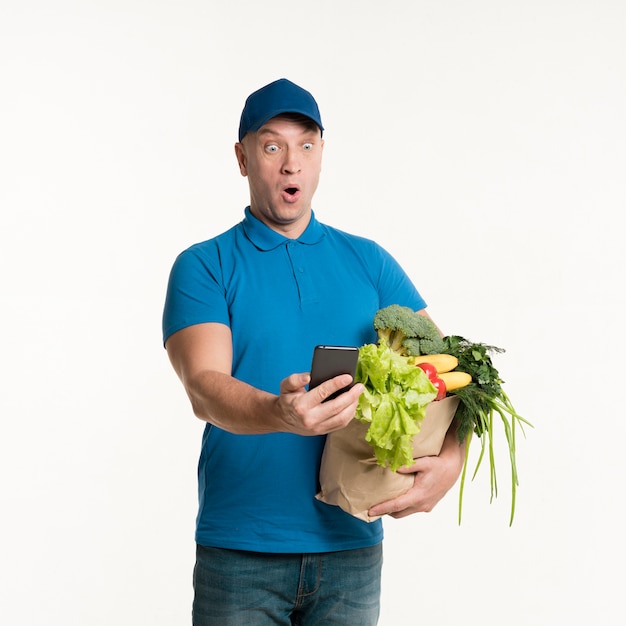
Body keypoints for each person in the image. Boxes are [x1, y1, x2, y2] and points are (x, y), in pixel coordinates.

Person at [162, 78, 465, 626]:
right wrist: (277, 412)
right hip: (241, 553)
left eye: (306, 145)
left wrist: (452, 458)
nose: (290, 163)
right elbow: (204, 387)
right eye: (271, 144)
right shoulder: (204, 265)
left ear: (322, 154)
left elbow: (448, 374)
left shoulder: (369, 262)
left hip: (352, 548)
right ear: (242, 157)